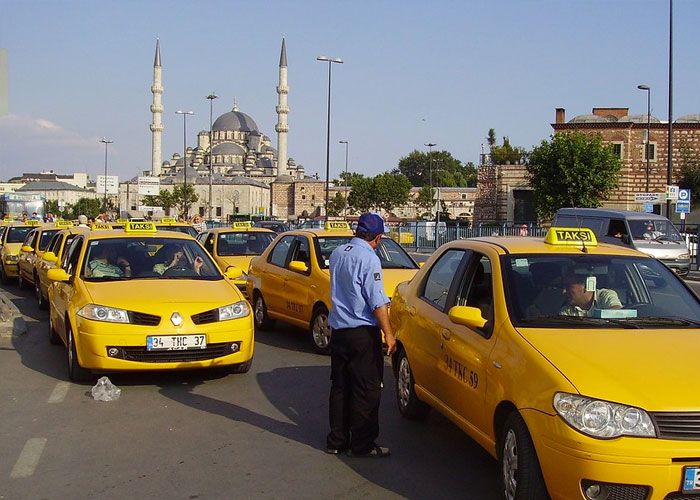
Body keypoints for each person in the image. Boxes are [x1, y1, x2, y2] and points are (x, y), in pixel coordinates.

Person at [326, 212, 396, 458]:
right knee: (367, 389)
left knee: (341, 387)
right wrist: (389, 334)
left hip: (339, 331)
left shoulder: (338, 254)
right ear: (377, 238)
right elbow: (377, 301)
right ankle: (363, 445)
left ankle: (337, 441)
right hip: (362, 333)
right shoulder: (369, 259)